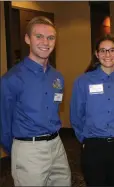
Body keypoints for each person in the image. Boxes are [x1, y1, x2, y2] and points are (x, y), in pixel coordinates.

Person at [0, 16, 71, 186]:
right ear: (27, 39)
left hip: (57, 144)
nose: (45, 42)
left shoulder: (57, 76)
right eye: (38, 36)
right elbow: (3, 122)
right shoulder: (12, 79)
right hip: (29, 149)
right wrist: (19, 150)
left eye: (50, 37)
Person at [70, 34, 114, 186]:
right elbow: (76, 115)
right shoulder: (83, 81)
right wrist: (84, 139)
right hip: (94, 146)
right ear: (97, 54)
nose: (107, 54)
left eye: (112, 50)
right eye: (103, 50)